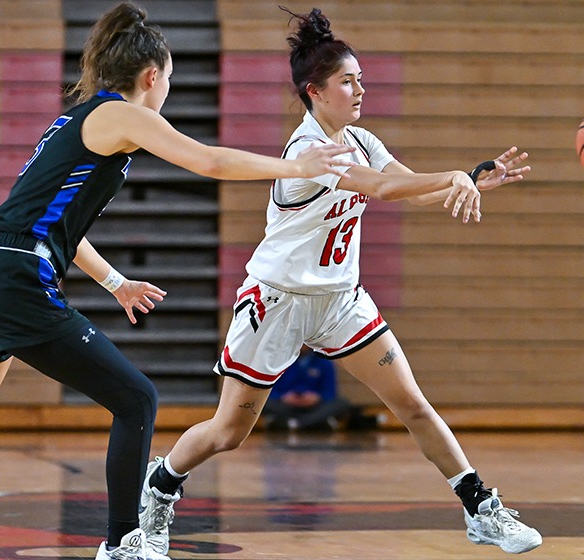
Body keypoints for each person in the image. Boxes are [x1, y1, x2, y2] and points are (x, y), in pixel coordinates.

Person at [0, 3, 355, 560]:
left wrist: (115, 281)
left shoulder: (77, 119)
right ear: (152, 76)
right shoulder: (123, 114)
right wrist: (299, 166)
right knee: (137, 399)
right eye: (170, 78)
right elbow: (210, 161)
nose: (168, 88)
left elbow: (57, 224)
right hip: (15, 282)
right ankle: (123, 543)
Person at [139, 6, 542, 556]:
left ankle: (481, 509)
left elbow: (406, 188)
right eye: (347, 81)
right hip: (277, 300)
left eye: (362, 80)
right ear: (315, 91)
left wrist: (467, 181)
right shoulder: (309, 150)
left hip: (339, 301)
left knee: (414, 405)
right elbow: (379, 189)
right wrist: (448, 176)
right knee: (228, 433)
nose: (359, 90)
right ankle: (160, 486)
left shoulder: (362, 138)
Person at [262, 346, 352, 431]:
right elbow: (271, 391)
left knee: (341, 403)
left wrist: (316, 398)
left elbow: (330, 392)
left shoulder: (324, 362)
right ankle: (314, 422)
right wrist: (284, 397)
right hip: (287, 406)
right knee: (264, 403)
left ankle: (295, 423)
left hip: (315, 407)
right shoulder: (281, 362)